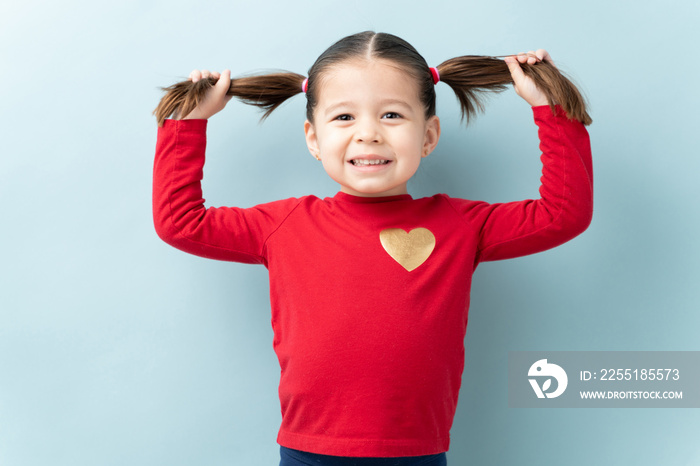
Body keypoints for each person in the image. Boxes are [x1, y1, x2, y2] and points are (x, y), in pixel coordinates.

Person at [152, 31, 593, 466]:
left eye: (392, 116)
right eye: (344, 118)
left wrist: (550, 108)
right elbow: (180, 221)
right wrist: (188, 122)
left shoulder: (460, 226)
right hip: (311, 453)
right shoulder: (283, 226)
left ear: (429, 135)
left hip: (416, 453)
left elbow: (563, 213)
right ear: (313, 138)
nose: (368, 134)